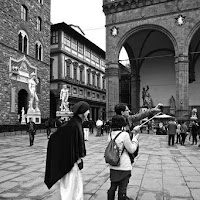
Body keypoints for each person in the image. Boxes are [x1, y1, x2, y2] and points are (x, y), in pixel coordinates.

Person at [44, 101, 90, 200]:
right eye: (87, 111)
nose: (88, 112)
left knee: (76, 186)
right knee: (69, 187)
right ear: (82, 112)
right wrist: (74, 156)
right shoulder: (73, 125)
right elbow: (55, 138)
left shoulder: (76, 123)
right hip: (69, 162)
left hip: (73, 161)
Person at [107, 114, 139, 200]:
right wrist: (135, 138)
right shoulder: (124, 134)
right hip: (124, 165)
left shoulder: (110, 134)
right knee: (122, 189)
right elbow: (131, 149)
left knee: (112, 187)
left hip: (113, 164)